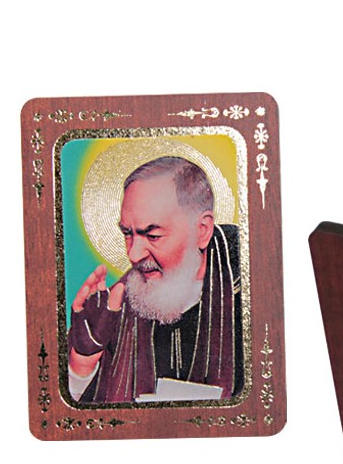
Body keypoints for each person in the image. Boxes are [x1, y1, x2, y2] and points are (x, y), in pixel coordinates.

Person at [67, 156, 243, 403]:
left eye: (153, 236)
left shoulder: (250, 298)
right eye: (127, 234)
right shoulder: (115, 308)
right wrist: (83, 360)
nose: (133, 255)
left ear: (202, 231)